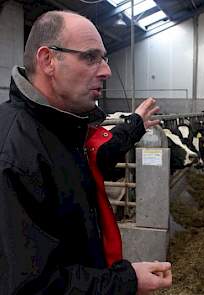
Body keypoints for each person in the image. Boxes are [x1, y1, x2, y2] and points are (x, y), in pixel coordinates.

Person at [0, 10, 172, 294]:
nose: (106, 70)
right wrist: (126, 281)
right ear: (48, 61)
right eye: (91, 57)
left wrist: (134, 125)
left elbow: (97, 159)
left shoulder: (61, 129)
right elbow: (32, 287)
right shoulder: (15, 156)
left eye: (104, 57)